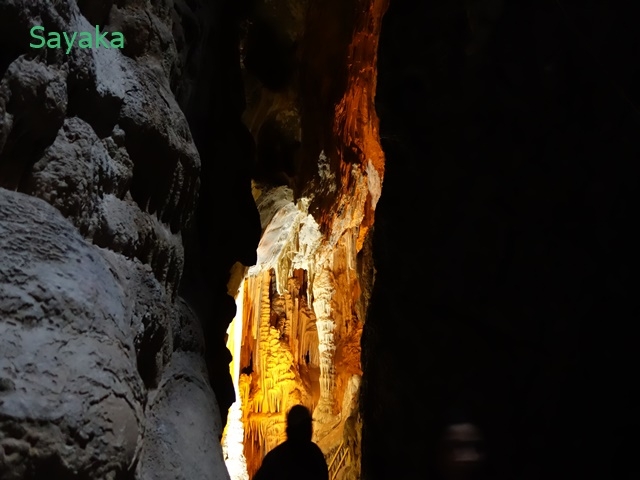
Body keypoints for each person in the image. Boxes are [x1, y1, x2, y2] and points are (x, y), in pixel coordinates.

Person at [253, 405, 329, 480]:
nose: (310, 430)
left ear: (288, 429)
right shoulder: (315, 455)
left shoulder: (275, 458)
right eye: (305, 427)